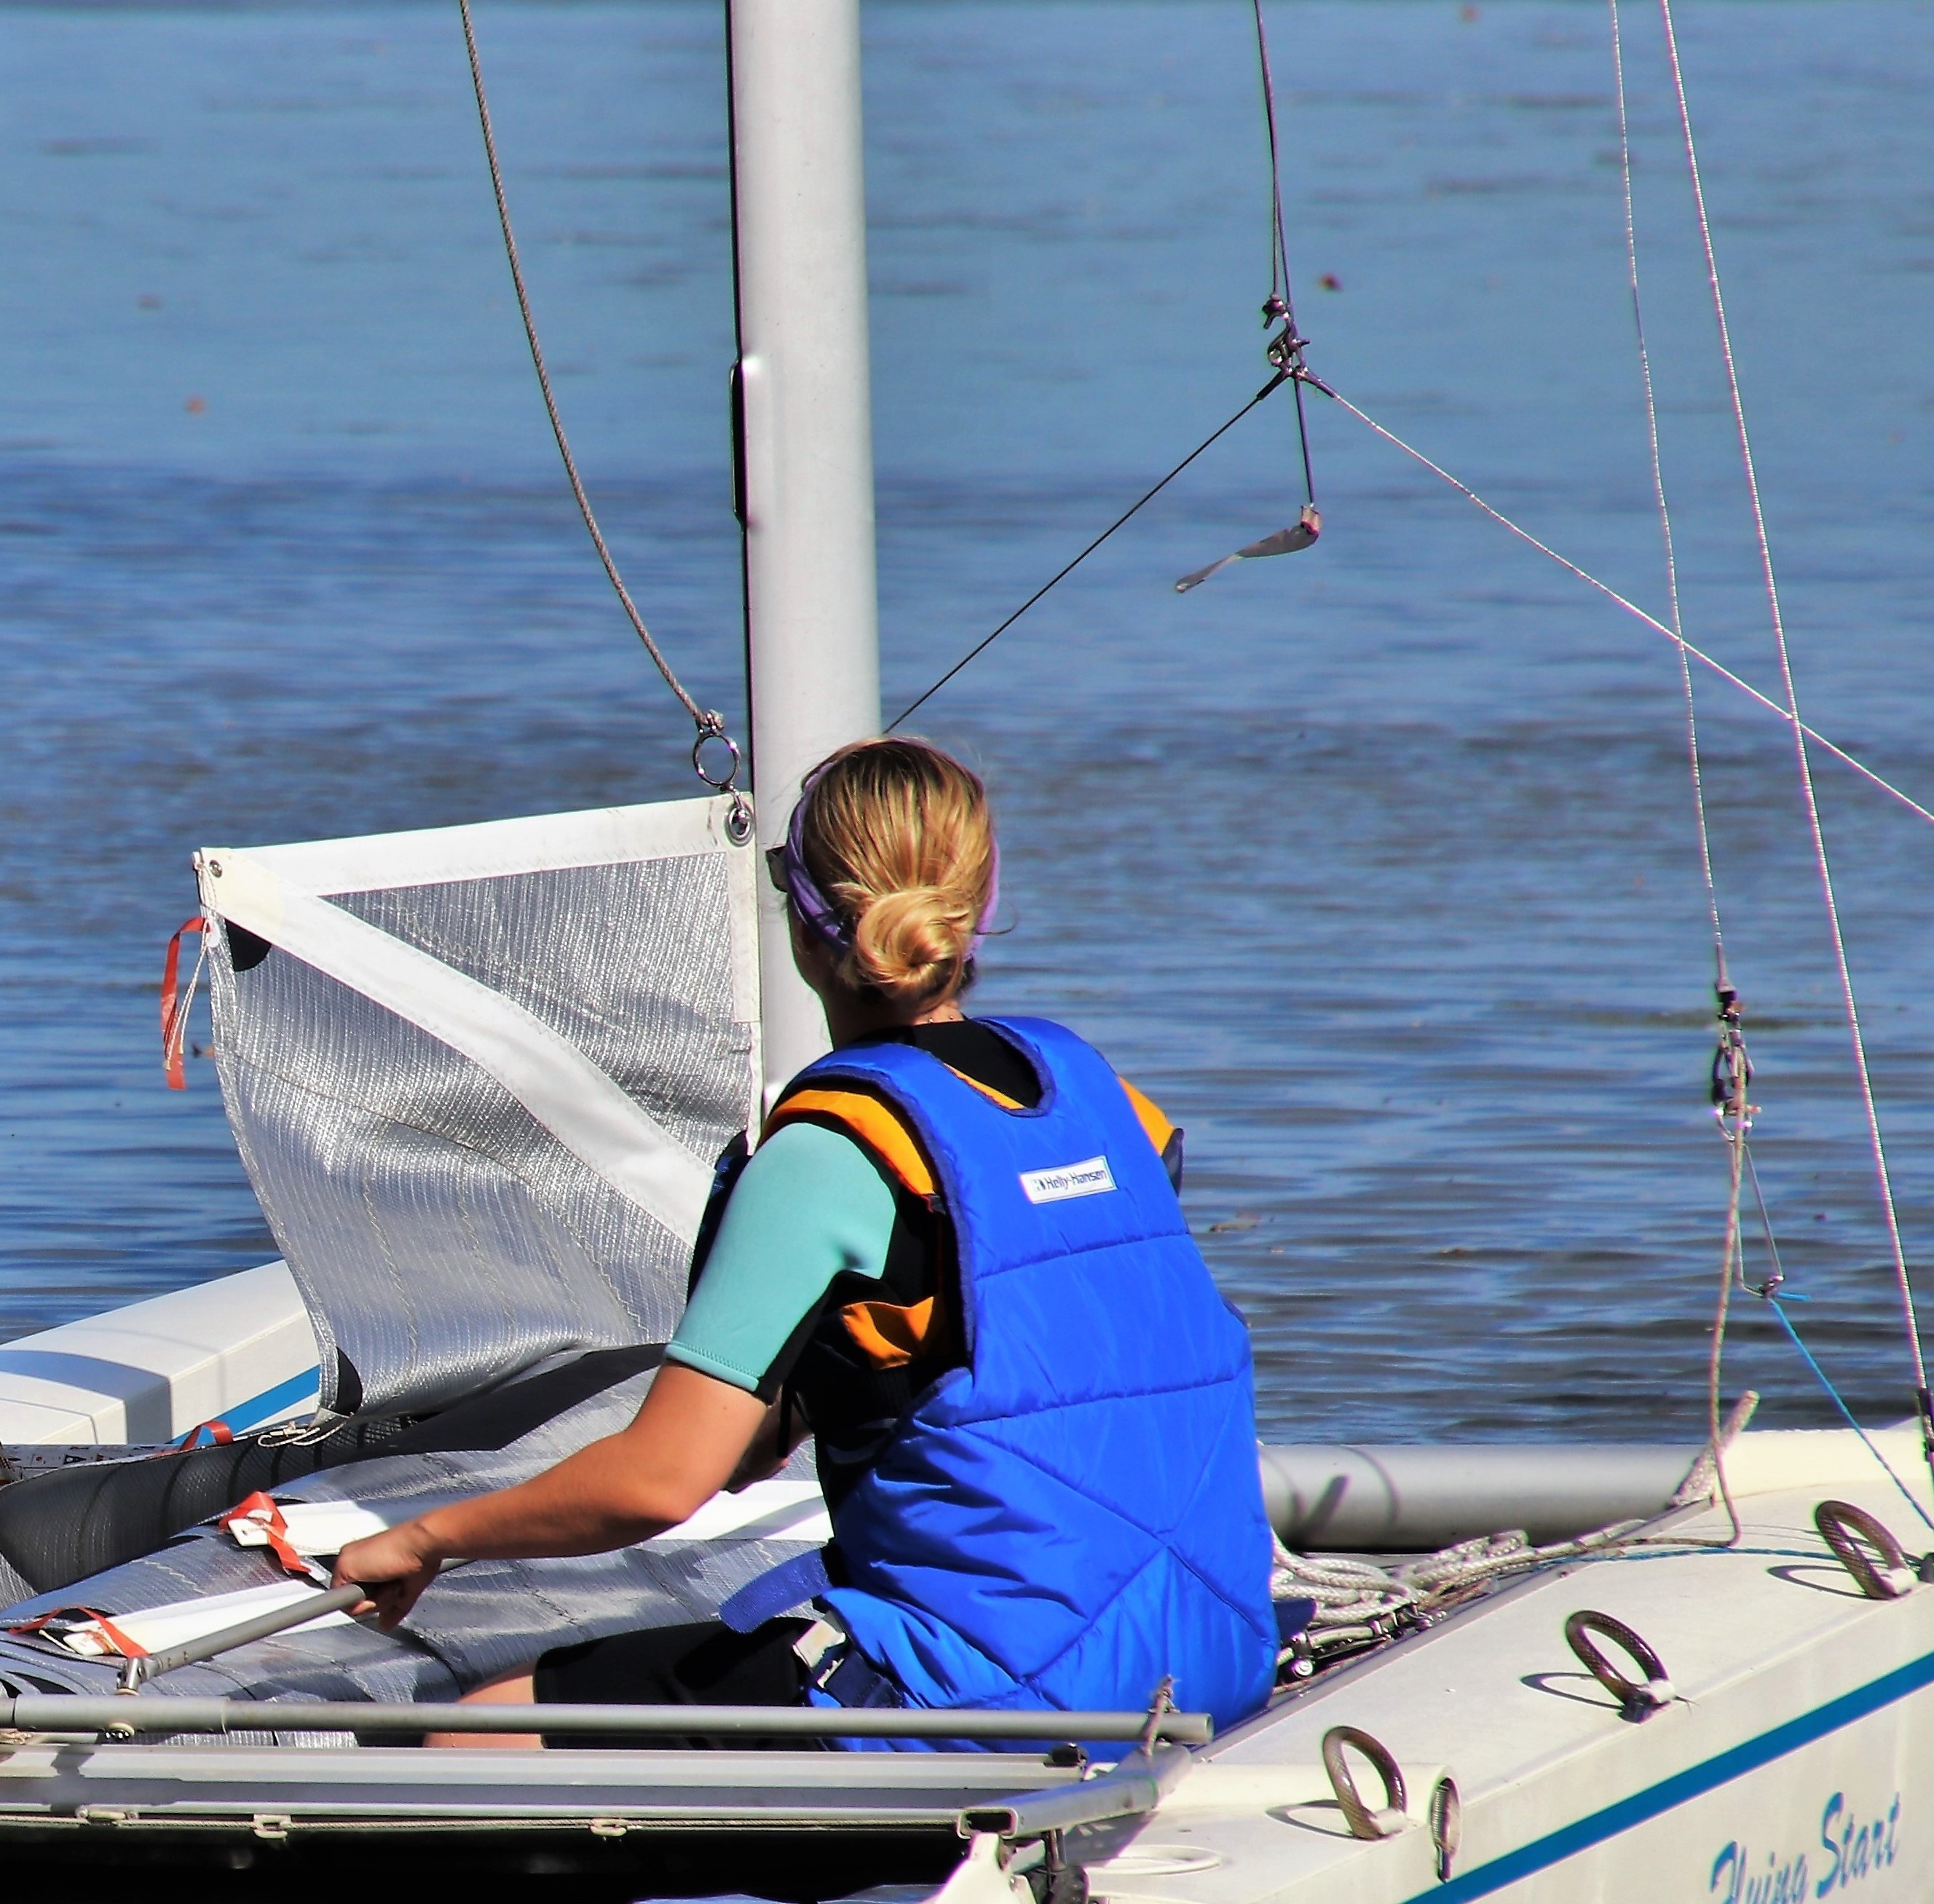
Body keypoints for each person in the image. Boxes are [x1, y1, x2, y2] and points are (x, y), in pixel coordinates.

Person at [333, 735, 1278, 1739]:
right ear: (975, 906)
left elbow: (664, 1482)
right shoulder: (1110, 1102)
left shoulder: (828, 1153)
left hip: (999, 1688)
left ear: (801, 917)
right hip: (1214, 1650)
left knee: (475, 1731)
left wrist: (427, 1538)